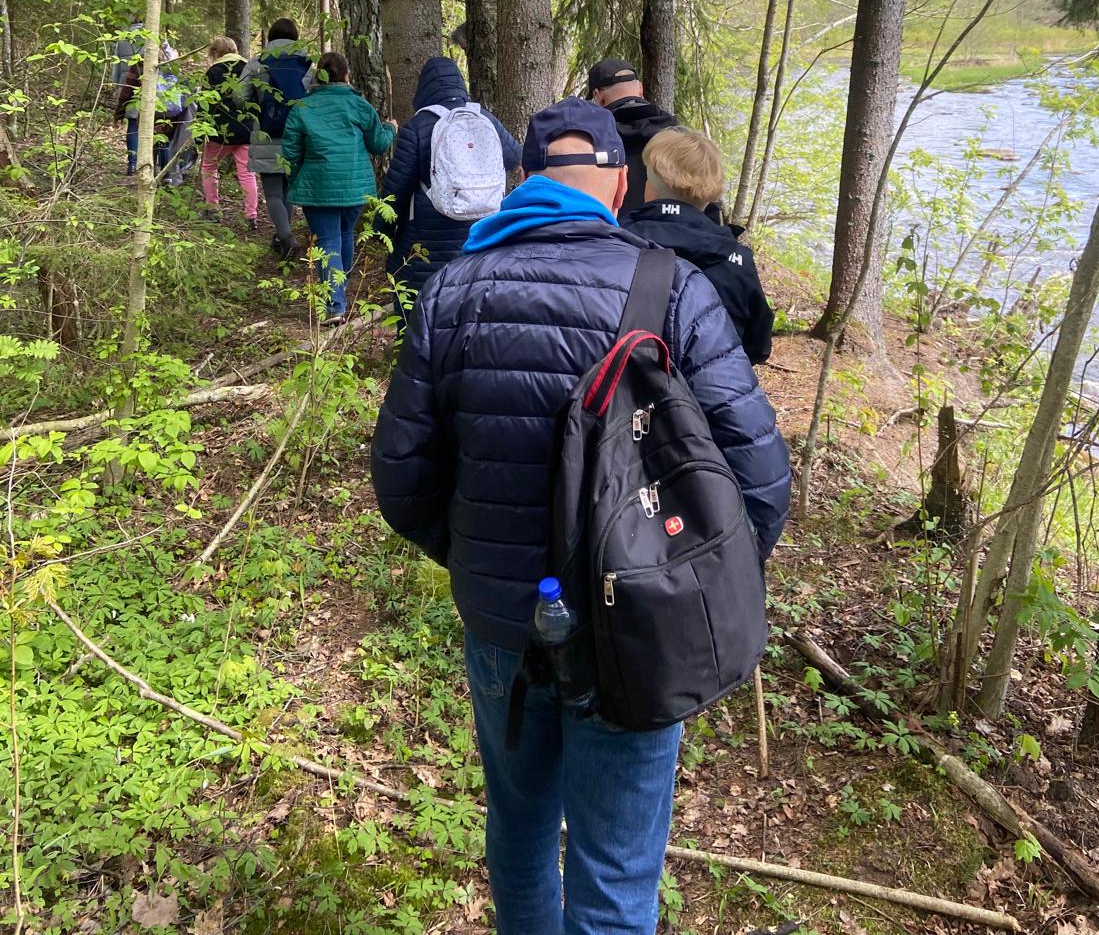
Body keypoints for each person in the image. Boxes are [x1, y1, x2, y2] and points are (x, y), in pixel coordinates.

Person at [370, 97, 790, 935]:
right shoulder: (672, 288)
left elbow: (402, 478)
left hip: (504, 626)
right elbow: (760, 481)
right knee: (618, 870)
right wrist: (688, 582)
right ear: (621, 186)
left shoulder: (453, 291)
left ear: (524, 177)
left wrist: (478, 557)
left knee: (520, 831)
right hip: (640, 627)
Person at [382, 55, 520, 318]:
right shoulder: (484, 118)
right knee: (470, 306)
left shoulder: (417, 127)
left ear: (424, 88)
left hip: (425, 237)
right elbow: (514, 157)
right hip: (480, 235)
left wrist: (382, 231)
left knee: (418, 309)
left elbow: (396, 189)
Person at [625, 126, 774, 364]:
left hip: (624, 380)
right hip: (713, 384)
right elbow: (758, 346)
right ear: (709, 194)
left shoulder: (618, 242)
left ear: (650, 185)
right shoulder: (737, 261)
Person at [280, 50, 397, 323]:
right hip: (355, 187)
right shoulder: (359, 105)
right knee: (344, 235)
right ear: (347, 75)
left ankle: (334, 304)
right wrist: (391, 128)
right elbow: (379, 144)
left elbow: (290, 153)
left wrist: (296, 181)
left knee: (329, 239)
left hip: (317, 188)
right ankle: (339, 295)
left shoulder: (303, 107)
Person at [241, 18, 312, 259]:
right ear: (295, 38)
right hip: (298, 136)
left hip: (266, 134)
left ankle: (286, 237)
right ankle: (284, 236)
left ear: (270, 38)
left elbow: (239, 96)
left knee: (273, 193)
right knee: (288, 190)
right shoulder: (306, 65)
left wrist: (257, 105)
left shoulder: (257, 63)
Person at [586, 56, 677, 219]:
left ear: (598, 96)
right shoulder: (676, 134)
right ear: (640, 88)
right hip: (669, 227)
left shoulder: (590, 139)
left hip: (610, 230)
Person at [198, 35, 258, 230]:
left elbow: (204, 104)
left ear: (215, 53)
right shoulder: (248, 69)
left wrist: (199, 132)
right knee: (247, 173)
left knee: (209, 167)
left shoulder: (213, 72)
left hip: (218, 131)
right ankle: (251, 216)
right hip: (245, 129)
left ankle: (213, 209)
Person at [113, 40, 180, 177]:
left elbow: (128, 89)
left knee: (146, 137)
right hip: (170, 107)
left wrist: (119, 111)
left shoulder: (141, 62)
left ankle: (137, 166)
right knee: (164, 140)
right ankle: (166, 176)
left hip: (147, 107)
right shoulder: (172, 62)